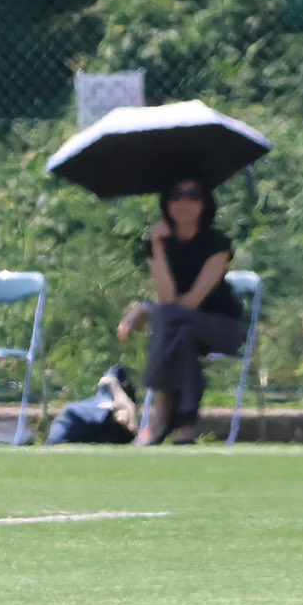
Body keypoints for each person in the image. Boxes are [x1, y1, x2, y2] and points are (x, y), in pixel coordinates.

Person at [117, 176, 242, 446]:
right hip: (181, 327)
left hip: (221, 327)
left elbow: (190, 302)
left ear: (205, 203)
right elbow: (168, 297)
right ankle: (186, 424)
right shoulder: (157, 245)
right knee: (182, 334)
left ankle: (160, 407)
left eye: (193, 195)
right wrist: (159, 248)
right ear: (166, 202)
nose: (184, 201)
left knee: (168, 317)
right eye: (176, 195)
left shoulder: (217, 244)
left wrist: (147, 309)